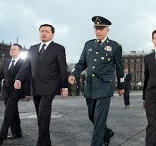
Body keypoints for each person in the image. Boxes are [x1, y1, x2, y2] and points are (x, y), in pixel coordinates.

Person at [68, 16, 124, 146]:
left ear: (107, 30)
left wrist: (121, 86)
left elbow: (120, 69)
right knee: (91, 116)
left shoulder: (114, 46)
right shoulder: (88, 44)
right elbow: (82, 63)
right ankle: (107, 133)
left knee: (99, 118)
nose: (98, 31)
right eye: (96, 29)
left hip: (105, 86)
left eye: (101, 29)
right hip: (90, 86)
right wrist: (73, 74)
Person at [14, 24, 69, 146]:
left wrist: (64, 86)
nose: (43, 33)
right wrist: (19, 79)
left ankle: (42, 143)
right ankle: (47, 141)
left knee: (43, 112)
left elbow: (63, 68)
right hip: (35, 86)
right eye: (41, 31)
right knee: (40, 115)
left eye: (46, 31)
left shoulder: (58, 48)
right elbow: (26, 66)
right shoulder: (32, 48)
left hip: (50, 86)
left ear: (52, 34)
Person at [0, 44, 31, 145]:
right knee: (13, 111)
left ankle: (1, 136)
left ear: (20, 52)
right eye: (11, 49)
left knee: (8, 111)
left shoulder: (24, 63)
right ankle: (17, 132)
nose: (11, 50)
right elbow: (2, 73)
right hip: (5, 89)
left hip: (16, 89)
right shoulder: (6, 61)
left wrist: (28, 93)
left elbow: (28, 78)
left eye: (14, 49)